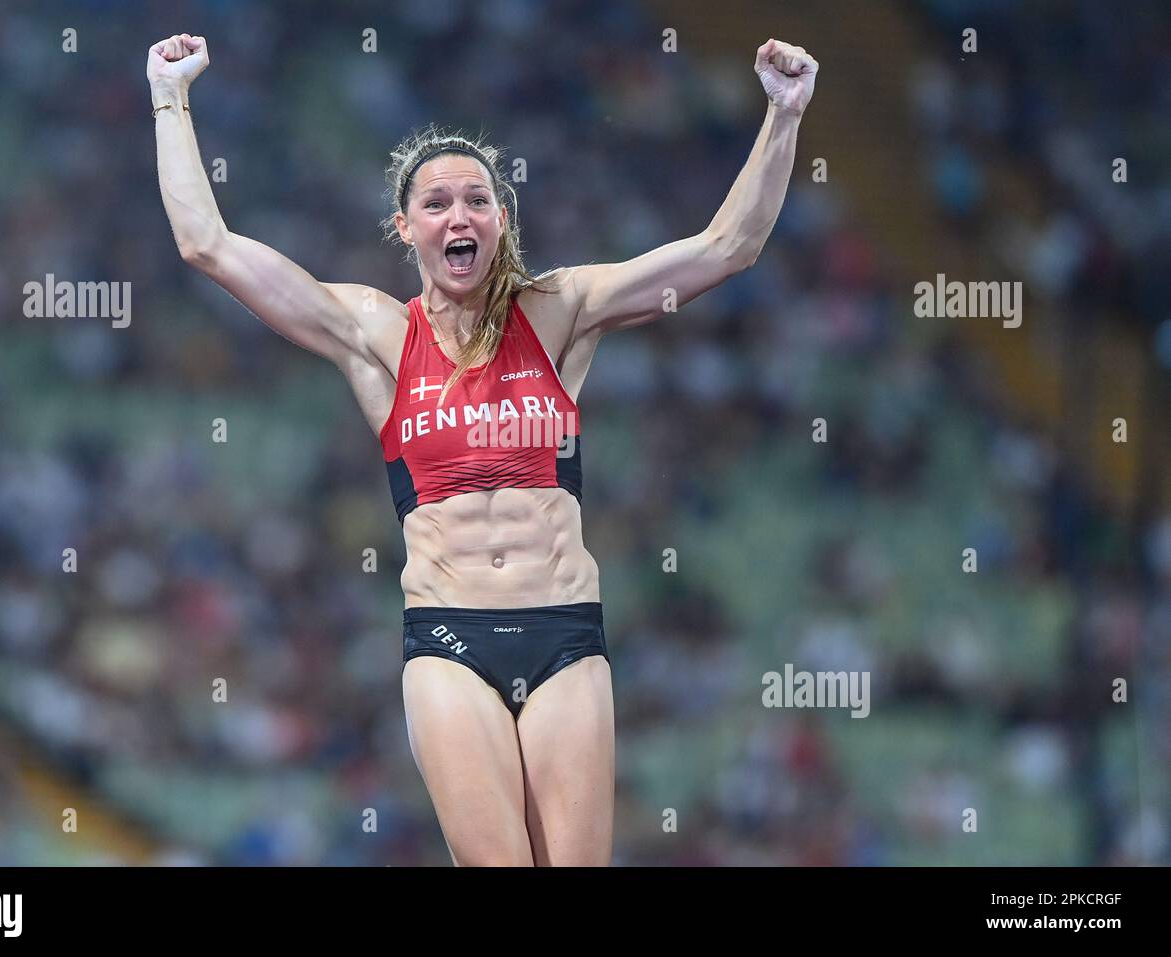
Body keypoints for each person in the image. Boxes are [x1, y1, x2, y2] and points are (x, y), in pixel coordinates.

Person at [149, 32, 816, 866]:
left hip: (566, 635)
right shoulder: (377, 333)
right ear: (405, 227)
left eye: (476, 199)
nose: (457, 215)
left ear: (501, 220)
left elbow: (728, 248)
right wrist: (169, 97)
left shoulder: (561, 310)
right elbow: (206, 244)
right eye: (436, 203)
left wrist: (784, 115)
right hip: (448, 639)